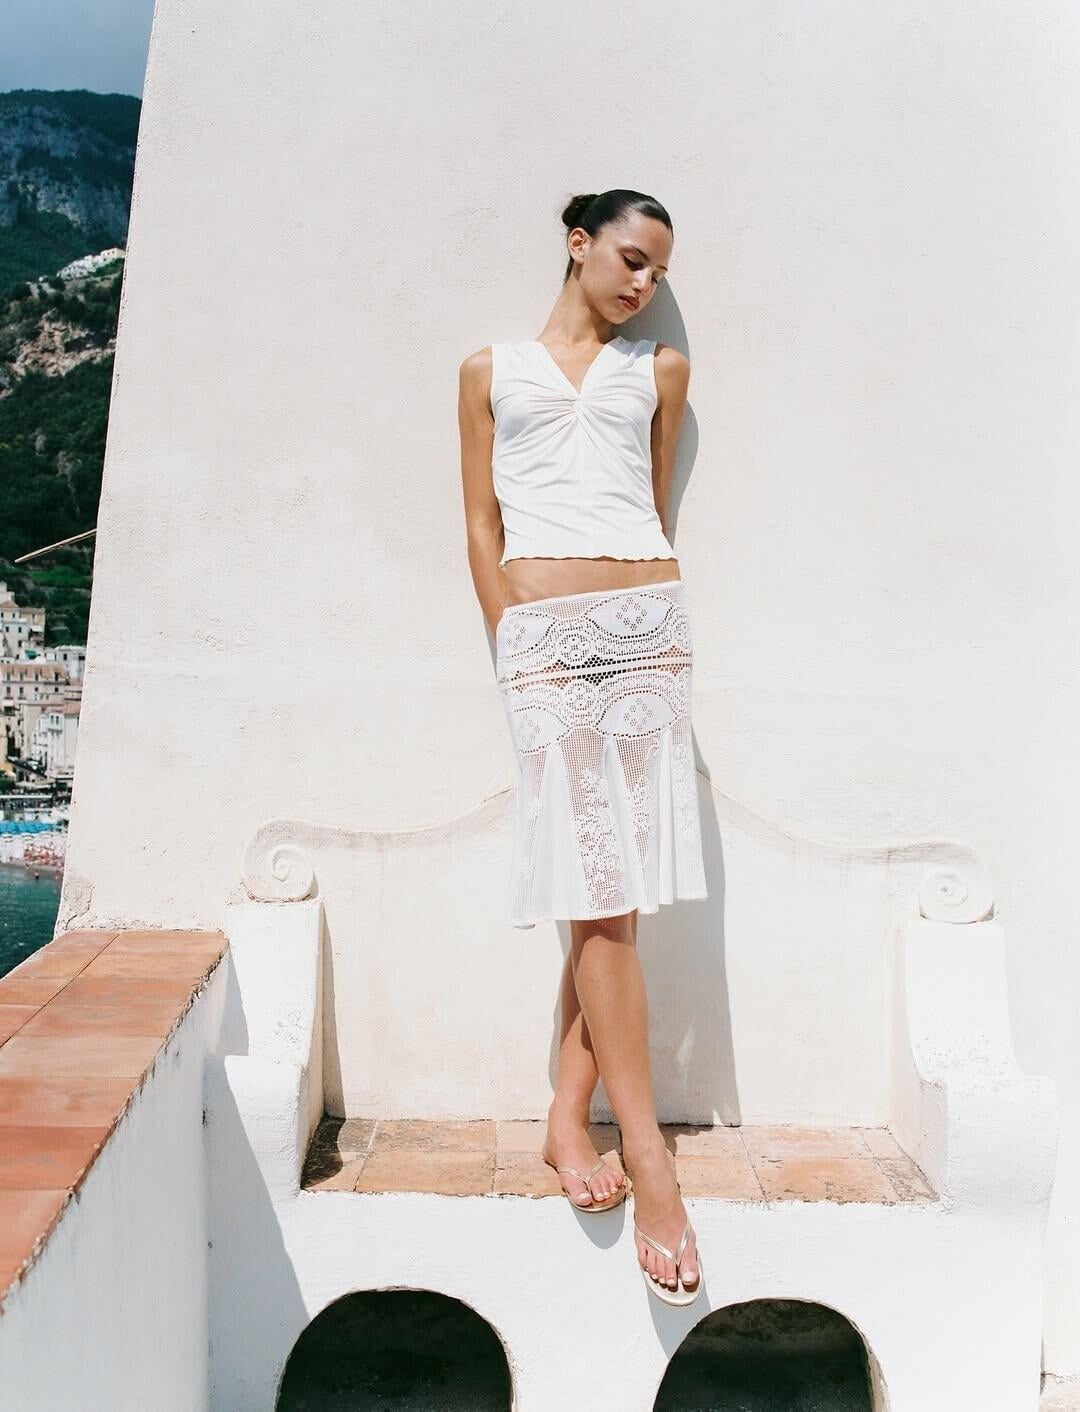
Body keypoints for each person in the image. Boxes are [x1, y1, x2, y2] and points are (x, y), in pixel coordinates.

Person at [458, 189, 708, 1306]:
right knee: (596, 893)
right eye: (631, 258)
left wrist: (629, 602)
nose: (643, 283)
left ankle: (570, 1116)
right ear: (578, 243)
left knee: (613, 900)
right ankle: (646, 1156)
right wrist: (511, 638)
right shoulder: (488, 371)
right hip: (546, 644)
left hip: (646, 630)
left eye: (658, 271)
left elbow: (648, 504)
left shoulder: (658, 371)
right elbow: (482, 523)